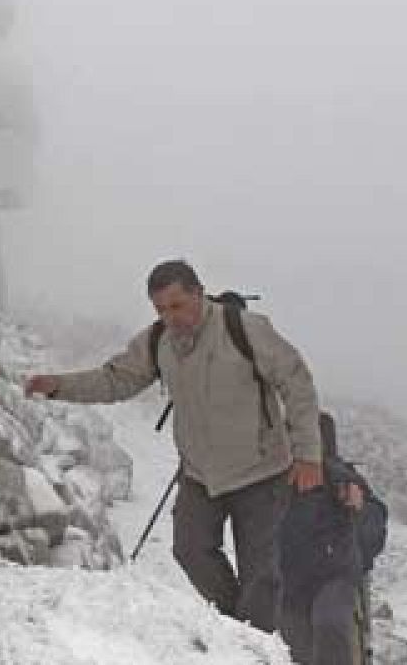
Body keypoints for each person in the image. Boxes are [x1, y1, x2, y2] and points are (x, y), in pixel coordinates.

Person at [22, 259, 323, 630]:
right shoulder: (157, 341)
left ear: (198, 293)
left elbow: (297, 383)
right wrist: (58, 385)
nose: (170, 316)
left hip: (261, 473)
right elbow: (116, 380)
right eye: (161, 309)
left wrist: (308, 455)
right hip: (200, 474)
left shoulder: (243, 329)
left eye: (177, 305)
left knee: (261, 575)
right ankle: (237, 633)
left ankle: (252, 645)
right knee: (190, 551)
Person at [277, 411, 389, 665]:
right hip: (290, 583)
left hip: (335, 579)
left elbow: (373, 528)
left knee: (330, 623)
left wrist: (358, 509)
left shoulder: (343, 479)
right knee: (292, 647)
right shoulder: (275, 478)